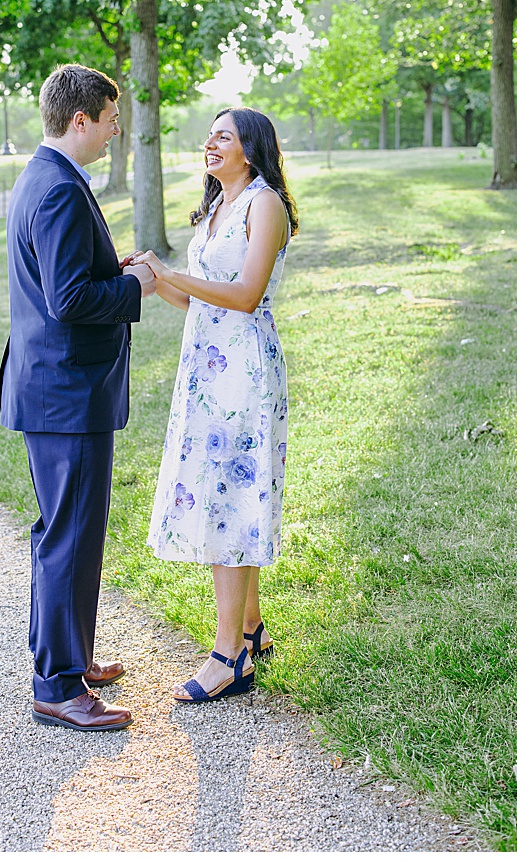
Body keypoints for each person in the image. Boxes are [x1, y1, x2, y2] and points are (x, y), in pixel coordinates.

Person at [1, 64, 157, 731]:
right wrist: (134, 289)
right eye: (111, 120)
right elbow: (68, 302)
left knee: (60, 534)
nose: (116, 132)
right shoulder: (60, 188)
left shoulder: (44, 175)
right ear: (80, 120)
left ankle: (68, 657)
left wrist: (110, 272)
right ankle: (59, 686)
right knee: (69, 536)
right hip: (66, 394)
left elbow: (63, 279)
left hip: (51, 390)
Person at [132, 107, 295, 702]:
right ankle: (252, 630)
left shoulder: (263, 204)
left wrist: (177, 273)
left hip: (243, 374)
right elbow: (199, 303)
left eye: (222, 136)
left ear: (249, 148)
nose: (209, 143)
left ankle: (228, 657)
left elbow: (246, 297)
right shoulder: (218, 210)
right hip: (205, 368)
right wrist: (154, 278)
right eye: (210, 135)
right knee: (223, 494)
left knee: (228, 502)